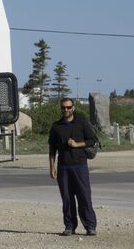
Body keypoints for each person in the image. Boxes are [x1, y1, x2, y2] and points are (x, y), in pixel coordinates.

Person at [48, 97, 98, 236]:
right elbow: (52, 149)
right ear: (61, 108)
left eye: (69, 107)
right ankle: (69, 226)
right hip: (63, 168)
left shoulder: (81, 123)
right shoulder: (56, 126)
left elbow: (92, 140)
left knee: (85, 197)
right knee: (67, 199)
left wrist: (77, 144)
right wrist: (52, 167)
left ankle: (90, 226)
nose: (66, 110)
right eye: (63, 107)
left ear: (73, 108)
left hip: (80, 166)